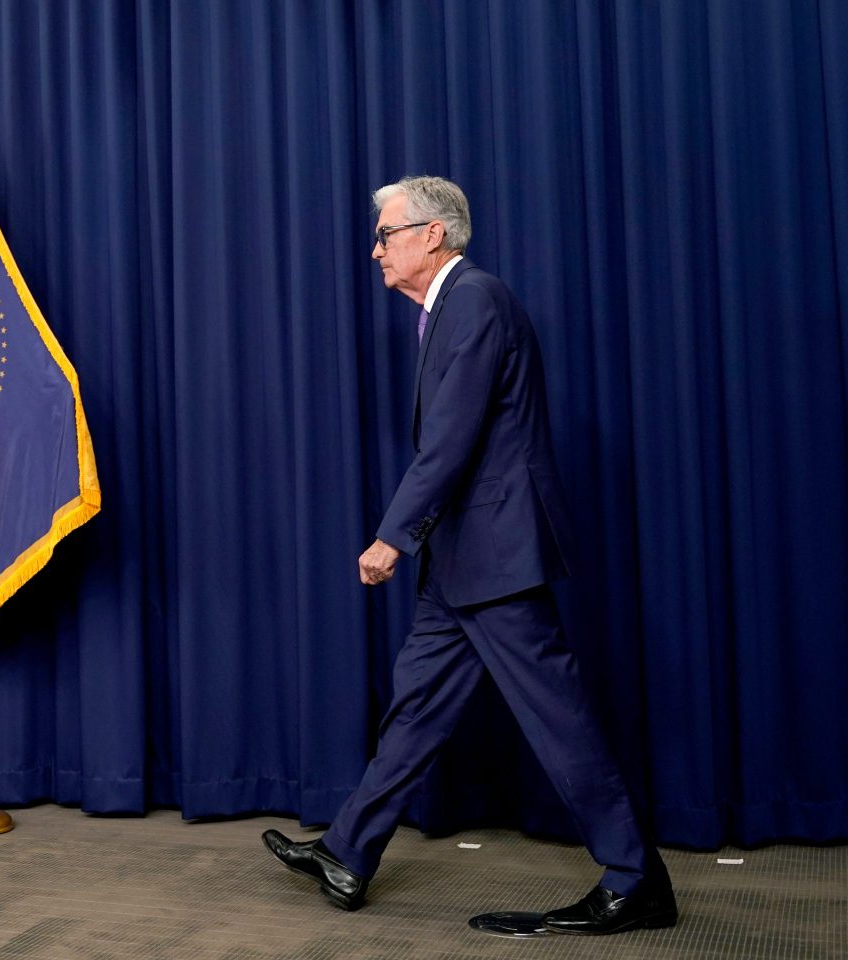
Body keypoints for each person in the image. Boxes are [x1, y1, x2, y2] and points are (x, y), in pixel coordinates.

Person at [262, 176, 676, 935]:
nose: (376, 250)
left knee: (559, 720)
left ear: (432, 235)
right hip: (462, 557)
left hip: (496, 555)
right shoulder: (447, 307)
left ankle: (635, 877)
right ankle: (348, 853)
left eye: (386, 234)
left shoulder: (475, 300)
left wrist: (393, 535)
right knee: (417, 709)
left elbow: (452, 438)